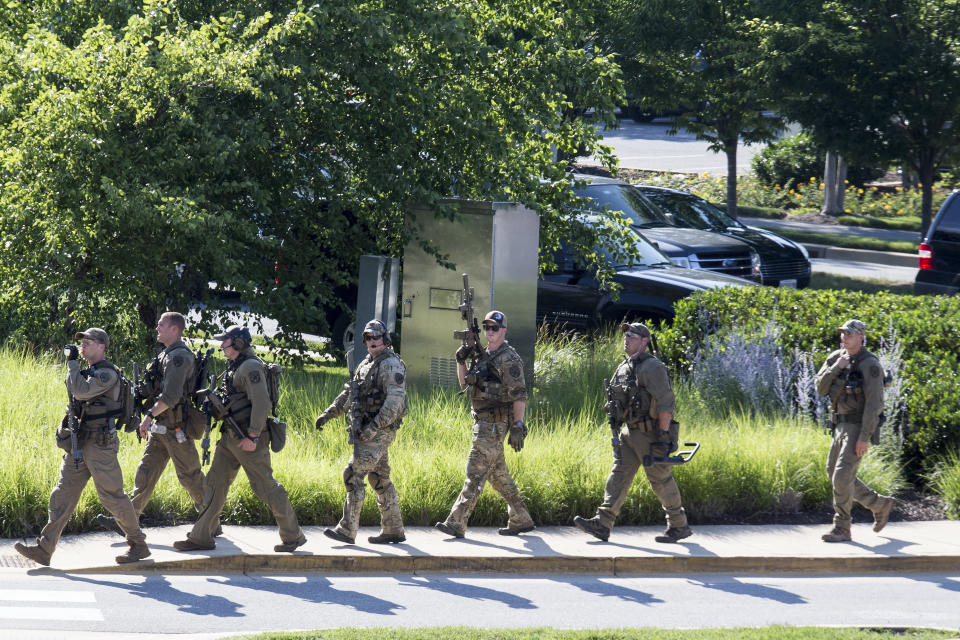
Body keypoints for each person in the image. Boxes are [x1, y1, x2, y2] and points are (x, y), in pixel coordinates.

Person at [15, 328, 150, 566]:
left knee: (112, 497)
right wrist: (74, 366)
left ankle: (138, 544)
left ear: (102, 347)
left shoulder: (107, 374)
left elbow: (80, 390)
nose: (83, 346)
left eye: (88, 342)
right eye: (82, 342)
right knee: (63, 494)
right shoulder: (91, 371)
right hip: (80, 441)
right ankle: (45, 548)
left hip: (100, 444)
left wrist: (73, 364)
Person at [173, 325, 306, 553]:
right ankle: (201, 537)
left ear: (238, 343)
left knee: (265, 486)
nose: (222, 346)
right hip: (230, 437)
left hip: (248, 438)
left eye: (225, 341)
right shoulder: (235, 366)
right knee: (214, 485)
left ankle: (293, 535)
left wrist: (253, 436)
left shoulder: (250, 367)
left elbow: (262, 403)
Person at [574, 322, 692, 544]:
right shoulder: (624, 366)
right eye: (626, 335)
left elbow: (666, 403)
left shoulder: (652, 367)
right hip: (629, 433)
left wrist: (664, 437)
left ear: (644, 341)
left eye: (632, 336)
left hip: (650, 434)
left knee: (660, 480)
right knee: (618, 475)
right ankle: (603, 522)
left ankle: (679, 524)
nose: (627, 339)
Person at [96, 312, 207, 536]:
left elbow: (172, 396)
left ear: (175, 329)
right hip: (162, 426)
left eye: (161, 325)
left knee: (191, 478)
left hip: (176, 428)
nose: (157, 328)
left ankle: (210, 521)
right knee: (145, 473)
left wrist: (148, 416)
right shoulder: (167, 354)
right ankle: (127, 521)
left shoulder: (179, 358)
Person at [435, 310, 535, 538]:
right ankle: (521, 518)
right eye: (487, 328)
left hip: (494, 424)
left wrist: (518, 425)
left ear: (503, 331)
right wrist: (461, 359)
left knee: (475, 471)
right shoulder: (481, 355)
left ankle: (456, 522)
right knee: (498, 475)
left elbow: (519, 394)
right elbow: (465, 385)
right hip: (481, 422)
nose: (490, 332)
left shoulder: (509, 358)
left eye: (494, 328)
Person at [316, 319, 407, 545]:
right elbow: (350, 393)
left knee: (353, 474)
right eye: (368, 337)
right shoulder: (366, 363)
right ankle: (393, 528)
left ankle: (347, 530)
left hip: (379, 430)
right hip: (367, 428)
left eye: (376, 337)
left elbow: (394, 403)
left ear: (385, 339)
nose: (372, 341)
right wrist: (328, 414)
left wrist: (373, 428)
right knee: (379, 478)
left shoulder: (390, 365)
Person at [815, 319, 895, 542]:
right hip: (839, 425)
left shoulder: (869, 364)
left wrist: (864, 438)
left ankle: (842, 527)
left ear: (861, 337)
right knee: (835, 474)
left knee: (841, 475)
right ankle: (880, 504)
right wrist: (836, 368)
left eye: (849, 334)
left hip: (858, 426)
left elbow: (874, 404)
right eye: (843, 334)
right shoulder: (835, 357)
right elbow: (821, 388)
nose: (844, 337)